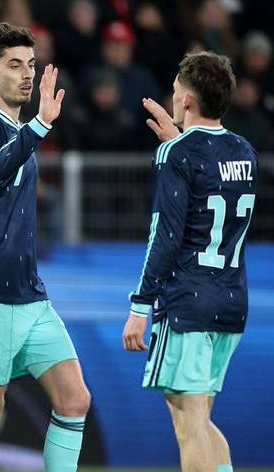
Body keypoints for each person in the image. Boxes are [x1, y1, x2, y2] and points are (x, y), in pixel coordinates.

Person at [0, 23, 91, 472]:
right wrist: (40, 125)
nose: (27, 74)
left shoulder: (18, 129)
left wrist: (33, 129)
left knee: (74, 399)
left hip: (30, 293)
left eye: (30, 64)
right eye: (14, 65)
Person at [123, 51, 257, 472]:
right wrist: (178, 143)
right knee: (200, 419)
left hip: (189, 302)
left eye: (176, 90)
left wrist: (140, 306)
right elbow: (210, 181)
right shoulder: (245, 151)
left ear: (186, 100)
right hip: (232, 301)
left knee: (189, 423)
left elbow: (164, 237)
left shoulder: (176, 155)